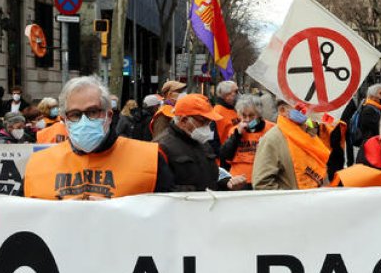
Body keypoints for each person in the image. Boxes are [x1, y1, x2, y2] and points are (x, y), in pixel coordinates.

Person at [22, 76, 174, 199]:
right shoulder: (37, 165)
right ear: (65, 120)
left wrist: (116, 212)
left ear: (109, 115)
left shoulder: (150, 159)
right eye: (75, 114)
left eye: (92, 112)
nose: (84, 121)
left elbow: (169, 220)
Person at [155, 94, 244, 191]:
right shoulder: (161, 147)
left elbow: (211, 178)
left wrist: (227, 183)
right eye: (203, 121)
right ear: (184, 120)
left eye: (209, 122)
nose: (207, 127)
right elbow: (161, 190)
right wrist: (199, 192)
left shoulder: (201, 142)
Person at [252, 100, 332, 190]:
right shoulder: (272, 139)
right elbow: (262, 184)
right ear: (282, 110)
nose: (306, 110)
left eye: (307, 105)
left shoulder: (310, 134)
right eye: (299, 106)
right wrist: (291, 200)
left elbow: (322, 173)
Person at [219, 94, 273, 187]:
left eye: (251, 116)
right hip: (239, 180)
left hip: (262, 179)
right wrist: (237, 135)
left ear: (259, 114)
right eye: (244, 116)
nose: (247, 119)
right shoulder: (234, 130)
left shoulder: (271, 129)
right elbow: (225, 155)